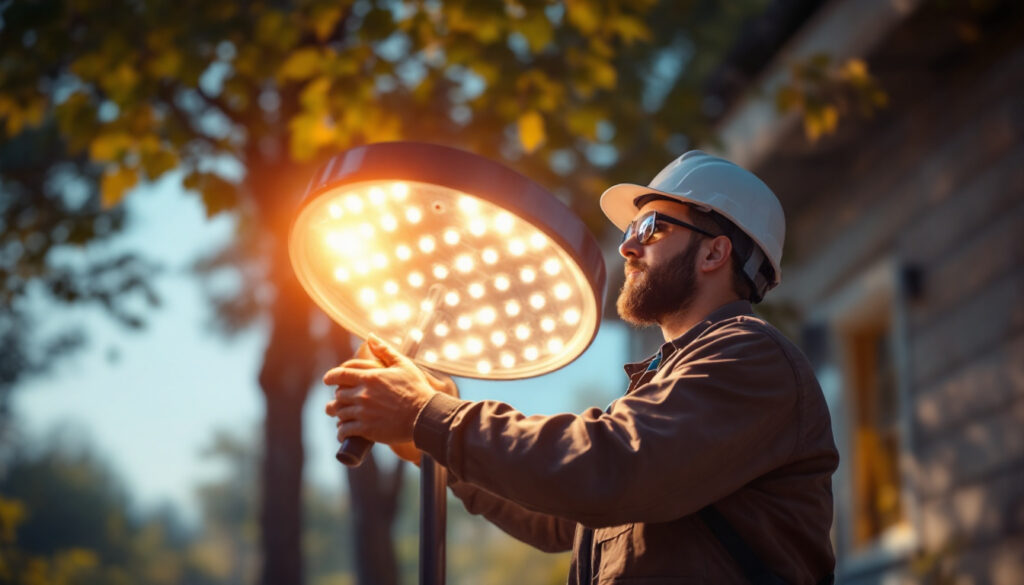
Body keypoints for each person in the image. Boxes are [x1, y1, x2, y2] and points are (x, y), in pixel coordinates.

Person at [325, 150, 839, 584]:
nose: (628, 244)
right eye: (632, 228)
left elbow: (610, 468)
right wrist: (432, 440)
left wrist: (431, 416)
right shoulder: (663, 390)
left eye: (651, 227)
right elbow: (560, 516)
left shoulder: (750, 357)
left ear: (714, 253)